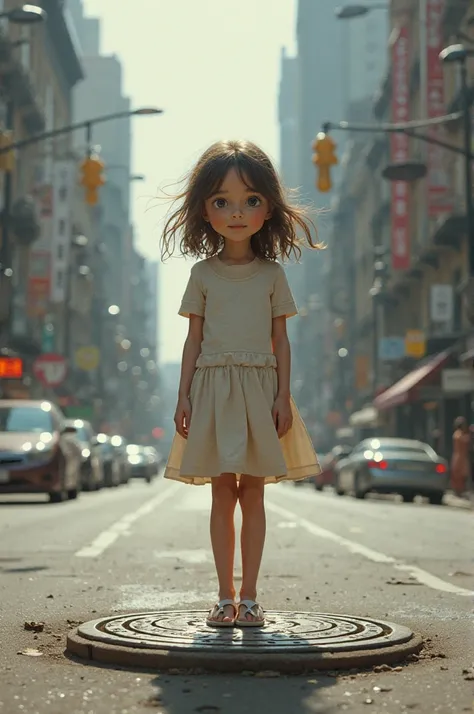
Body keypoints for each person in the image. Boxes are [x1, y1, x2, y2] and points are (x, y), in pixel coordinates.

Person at [161, 140, 321, 628]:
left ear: (268, 207)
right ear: (203, 210)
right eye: (221, 201)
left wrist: (282, 395)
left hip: (259, 390)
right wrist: (183, 394)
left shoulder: (272, 274)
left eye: (251, 200)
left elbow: (282, 341)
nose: (236, 212)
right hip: (212, 390)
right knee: (220, 493)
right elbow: (192, 341)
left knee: (254, 493)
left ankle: (250, 596)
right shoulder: (202, 273)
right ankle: (223, 595)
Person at [450, 416, 471, 497]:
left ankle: (460, 491)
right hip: (459, 457)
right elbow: (464, 440)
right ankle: (458, 491)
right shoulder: (458, 434)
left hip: (461, 456)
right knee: (458, 475)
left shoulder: (460, 434)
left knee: (462, 476)